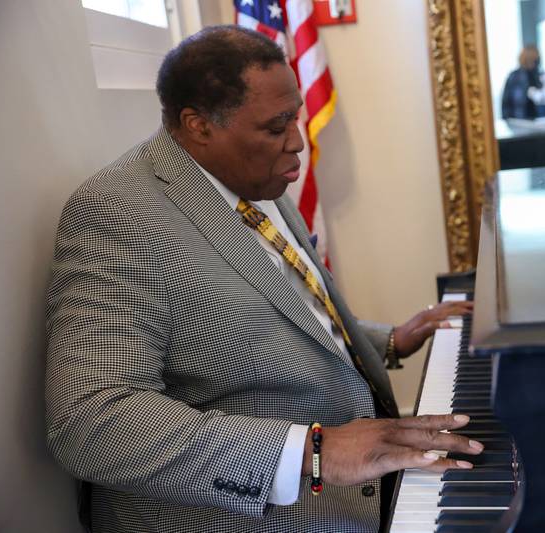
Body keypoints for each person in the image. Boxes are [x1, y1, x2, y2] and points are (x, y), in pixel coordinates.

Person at [45, 26, 478, 533]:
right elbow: (91, 422)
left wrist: (386, 341)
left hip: (364, 481)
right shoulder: (118, 213)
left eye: (294, 117)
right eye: (276, 128)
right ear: (198, 125)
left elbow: (278, 316)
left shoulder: (250, 174)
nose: (297, 142)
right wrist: (312, 451)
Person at [501, 45, 544, 119]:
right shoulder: (514, 76)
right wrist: (507, 120)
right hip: (519, 121)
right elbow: (506, 103)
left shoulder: (540, 76)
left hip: (539, 120)